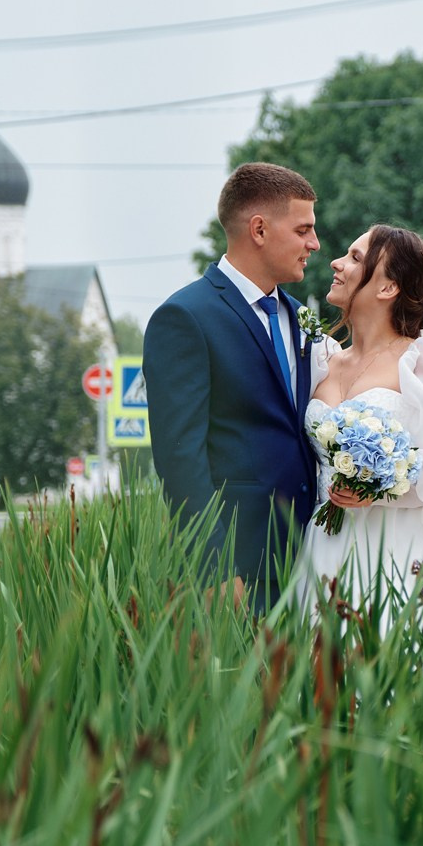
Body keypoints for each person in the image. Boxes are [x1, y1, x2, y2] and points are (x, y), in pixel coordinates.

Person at [143, 162, 323, 609]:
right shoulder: (186, 318)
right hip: (239, 571)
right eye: (303, 230)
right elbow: (179, 457)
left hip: (313, 562)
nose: (314, 244)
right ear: (259, 229)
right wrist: (215, 570)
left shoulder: (299, 316)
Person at [302, 224, 423, 623]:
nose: (336, 263)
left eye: (355, 258)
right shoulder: (320, 360)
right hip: (325, 542)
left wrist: (380, 485)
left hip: (398, 548)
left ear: (388, 288)